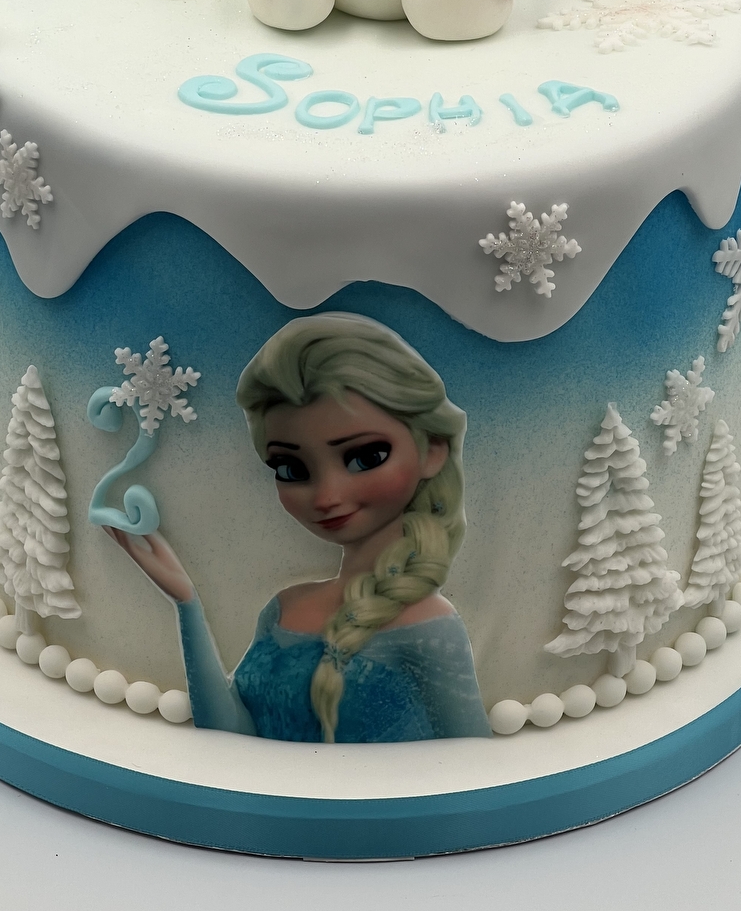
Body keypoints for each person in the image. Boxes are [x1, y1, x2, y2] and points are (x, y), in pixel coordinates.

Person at [107, 312, 491, 743]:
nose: (327, 496)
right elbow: (232, 736)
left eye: (366, 457)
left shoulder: (430, 627)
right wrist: (187, 602)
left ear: (432, 450)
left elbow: (470, 758)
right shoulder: (282, 608)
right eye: (291, 468)